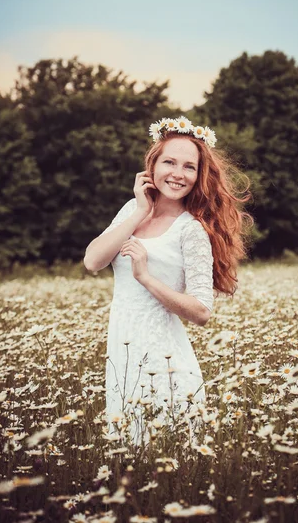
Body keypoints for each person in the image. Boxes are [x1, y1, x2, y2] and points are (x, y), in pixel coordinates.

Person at [83, 116, 253, 445]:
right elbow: (93, 260)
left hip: (165, 362)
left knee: (166, 457)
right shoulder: (133, 208)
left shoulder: (191, 230)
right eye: (170, 162)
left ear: (198, 175)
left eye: (189, 167)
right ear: (153, 165)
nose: (178, 173)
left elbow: (202, 311)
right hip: (122, 353)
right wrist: (139, 210)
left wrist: (146, 277)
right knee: (127, 457)